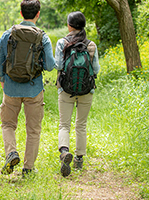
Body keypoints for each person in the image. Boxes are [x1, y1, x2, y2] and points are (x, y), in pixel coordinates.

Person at [0, 0, 55, 176]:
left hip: (11, 89)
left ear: (21, 13)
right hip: (34, 88)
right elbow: (50, 65)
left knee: (7, 124)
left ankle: (11, 152)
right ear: (37, 14)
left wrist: (2, 80)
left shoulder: (8, 34)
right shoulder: (43, 37)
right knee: (33, 130)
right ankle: (28, 168)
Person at [55, 11, 100, 177]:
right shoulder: (91, 45)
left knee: (64, 124)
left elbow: (59, 65)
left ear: (69, 25)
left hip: (65, 89)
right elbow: (95, 70)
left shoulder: (62, 42)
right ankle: (79, 159)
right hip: (87, 90)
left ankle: (64, 152)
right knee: (81, 125)